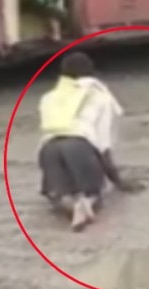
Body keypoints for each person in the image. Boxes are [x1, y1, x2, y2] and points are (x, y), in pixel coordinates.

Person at [37, 52, 141, 231]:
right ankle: (85, 204)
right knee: (93, 193)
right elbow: (103, 147)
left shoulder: (49, 97)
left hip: (48, 148)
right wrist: (118, 181)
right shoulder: (101, 97)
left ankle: (70, 206)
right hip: (79, 145)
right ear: (92, 72)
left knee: (56, 196)